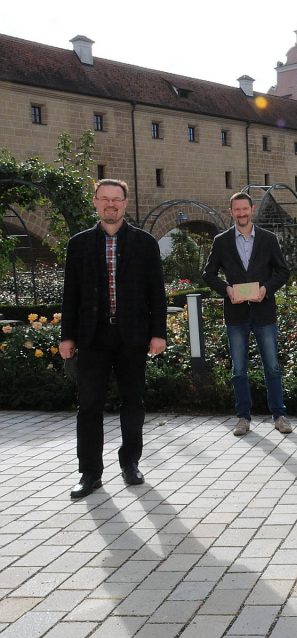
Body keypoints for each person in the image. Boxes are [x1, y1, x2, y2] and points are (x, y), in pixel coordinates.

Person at [59, 179, 167, 499]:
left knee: (133, 402)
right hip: (93, 337)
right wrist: (67, 336)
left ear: (125, 203)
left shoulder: (145, 244)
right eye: (104, 199)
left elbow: (156, 294)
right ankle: (90, 472)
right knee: (89, 405)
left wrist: (158, 333)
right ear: (95, 202)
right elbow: (70, 295)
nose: (110, 204)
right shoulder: (78, 244)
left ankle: (130, 463)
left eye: (116, 199)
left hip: (132, 336)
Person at [203, 191, 292, 436]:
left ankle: (279, 415)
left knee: (272, 367)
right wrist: (227, 289)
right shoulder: (221, 241)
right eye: (237, 210)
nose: (241, 213)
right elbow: (208, 274)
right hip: (236, 313)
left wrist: (266, 289)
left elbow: (283, 272)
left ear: (252, 209)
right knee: (239, 369)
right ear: (231, 212)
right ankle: (243, 417)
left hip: (264, 311)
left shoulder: (268, 239)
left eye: (245, 209)